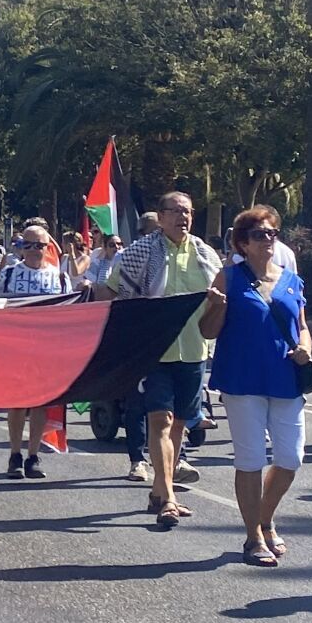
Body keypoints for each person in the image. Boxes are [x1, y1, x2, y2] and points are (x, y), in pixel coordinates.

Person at [200, 206, 312, 567]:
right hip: (243, 378)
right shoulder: (228, 278)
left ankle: (264, 517)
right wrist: (217, 307)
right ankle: (253, 537)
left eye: (272, 234)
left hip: (285, 378)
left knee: (290, 457)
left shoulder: (291, 279)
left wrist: (306, 348)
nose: (268, 240)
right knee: (250, 459)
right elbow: (207, 330)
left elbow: (302, 325)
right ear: (242, 243)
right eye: (260, 235)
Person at [113, 192, 220, 526]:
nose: (182, 217)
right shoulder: (140, 252)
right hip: (154, 351)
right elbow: (114, 292)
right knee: (160, 419)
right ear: (160, 217)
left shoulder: (205, 254)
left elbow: (220, 299)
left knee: (179, 424)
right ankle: (169, 498)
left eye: (187, 211)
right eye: (174, 211)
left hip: (193, 350)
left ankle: (161, 489)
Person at [0, 224, 67, 478]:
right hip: (16, 347)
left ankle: (33, 455)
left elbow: (68, 312)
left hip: (46, 349)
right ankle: (15, 454)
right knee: (17, 403)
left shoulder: (59, 277)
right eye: (29, 245)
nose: (35, 250)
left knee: (40, 403)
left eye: (40, 245)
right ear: (21, 247)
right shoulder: (8, 274)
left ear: (48, 247)